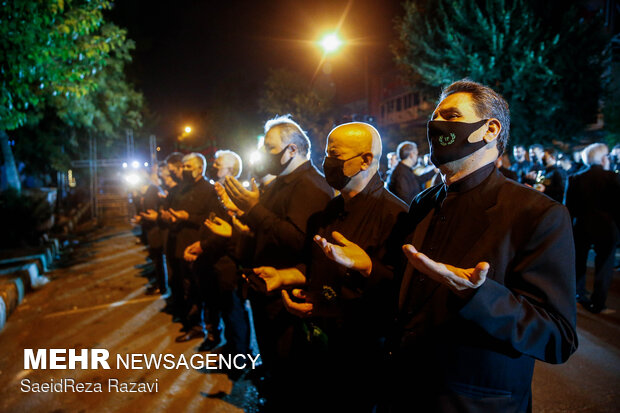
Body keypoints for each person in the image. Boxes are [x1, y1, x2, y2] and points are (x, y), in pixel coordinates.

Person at [319, 80, 578, 412]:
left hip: (470, 403)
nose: (436, 126)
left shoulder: (538, 214)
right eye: (435, 116)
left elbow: (558, 338)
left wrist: (478, 295)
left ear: (490, 130)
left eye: (452, 116)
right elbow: (406, 296)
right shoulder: (423, 203)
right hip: (402, 394)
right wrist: (368, 268)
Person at [253, 122, 408, 411]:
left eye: (336, 157)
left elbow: (397, 295)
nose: (327, 164)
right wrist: (285, 276)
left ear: (366, 160)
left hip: (359, 356)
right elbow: (314, 264)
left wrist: (366, 270)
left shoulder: (396, 216)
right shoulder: (328, 212)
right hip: (316, 345)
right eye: (326, 155)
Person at [223, 115, 333, 397]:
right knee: (274, 365)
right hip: (267, 292)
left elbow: (298, 241)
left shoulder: (309, 185)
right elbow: (267, 230)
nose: (263, 154)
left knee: (290, 375)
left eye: (270, 148)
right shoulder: (281, 184)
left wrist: (254, 209)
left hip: (286, 298)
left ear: (292, 150)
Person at [168, 153, 221, 343]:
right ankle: (195, 326)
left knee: (207, 293)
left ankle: (213, 332)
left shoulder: (209, 190)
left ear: (200, 168)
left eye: (188, 167)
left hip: (200, 248)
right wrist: (173, 217)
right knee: (189, 291)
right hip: (182, 247)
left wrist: (187, 217)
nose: (184, 170)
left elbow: (211, 219)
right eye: (183, 167)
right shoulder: (183, 188)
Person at [565, 143, 620, 314]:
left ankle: (579, 295)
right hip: (606, 226)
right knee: (604, 265)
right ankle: (598, 303)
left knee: (579, 263)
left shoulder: (575, 178)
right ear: (603, 158)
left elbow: (568, 207)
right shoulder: (612, 177)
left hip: (581, 226)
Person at [387, 141, 436, 205]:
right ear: (411, 154)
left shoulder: (405, 170)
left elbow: (418, 180)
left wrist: (434, 171)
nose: (417, 157)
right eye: (416, 154)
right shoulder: (401, 173)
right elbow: (405, 199)